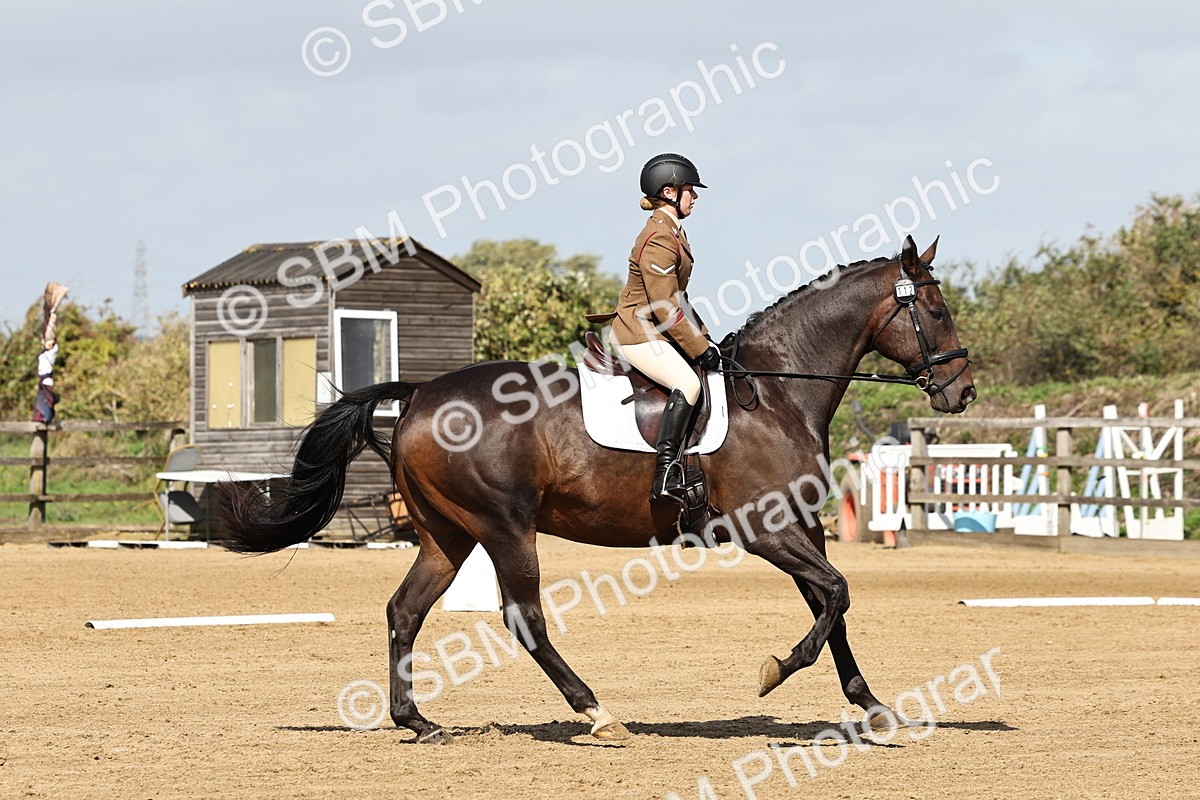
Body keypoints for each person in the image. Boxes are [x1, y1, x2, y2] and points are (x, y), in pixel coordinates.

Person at [605, 153, 722, 504]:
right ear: (669, 192)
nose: (695, 196)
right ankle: (666, 473)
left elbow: (678, 298)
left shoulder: (672, 232)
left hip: (654, 329)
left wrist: (706, 339)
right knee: (688, 383)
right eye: (690, 189)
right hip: (637, 332)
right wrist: (698, 348)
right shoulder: (659, 237)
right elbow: (664, 307)